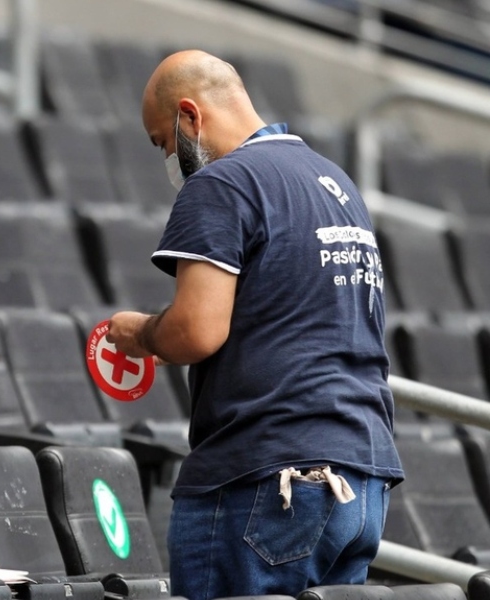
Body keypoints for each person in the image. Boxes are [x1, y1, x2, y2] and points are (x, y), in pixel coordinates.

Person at [105, 50, 403, 600]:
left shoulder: (221, 184)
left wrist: (140, 334)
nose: (168, 157)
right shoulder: (334, 182)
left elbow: (196, 330)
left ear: (189, 116)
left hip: (266, 479)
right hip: (362, 481)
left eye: (162, 141)